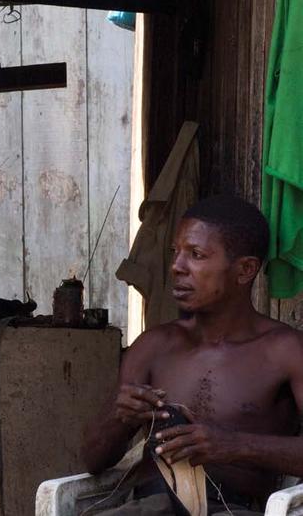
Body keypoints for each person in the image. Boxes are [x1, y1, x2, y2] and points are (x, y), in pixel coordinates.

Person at [80, 194, 303, 515]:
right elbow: (92, 460)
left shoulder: (285, 350)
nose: (176, 266)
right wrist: (117, 416)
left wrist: (233, 446)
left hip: (231, 508)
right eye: (175, 252)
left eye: (196, 254)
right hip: (146, 505)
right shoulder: (154, 345)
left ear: (245, 270)